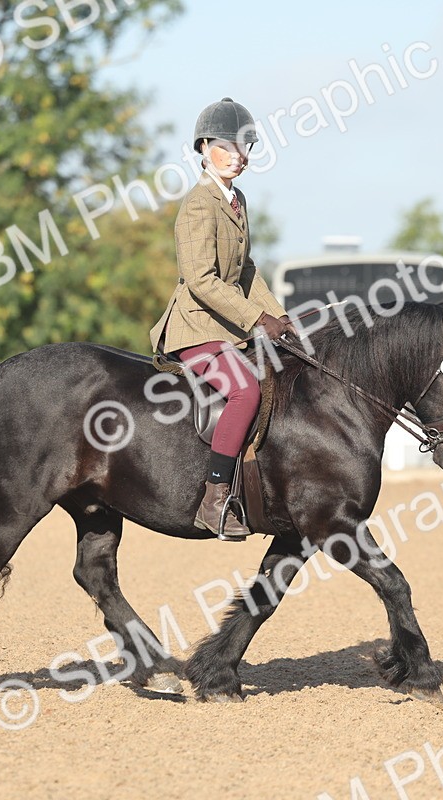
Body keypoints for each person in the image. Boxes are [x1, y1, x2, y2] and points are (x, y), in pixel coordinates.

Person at [148, 97, 296, 540]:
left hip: (227, 327)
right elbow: (201, 280)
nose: (239, 156)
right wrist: (256, 319)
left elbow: (245, 270)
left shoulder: (236, 199)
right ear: (203, 147)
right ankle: (213, 501)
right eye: (228, 147)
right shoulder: (199, 203)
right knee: (246, 390)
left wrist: (279, 317)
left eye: (245, 147)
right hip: (195, 326)